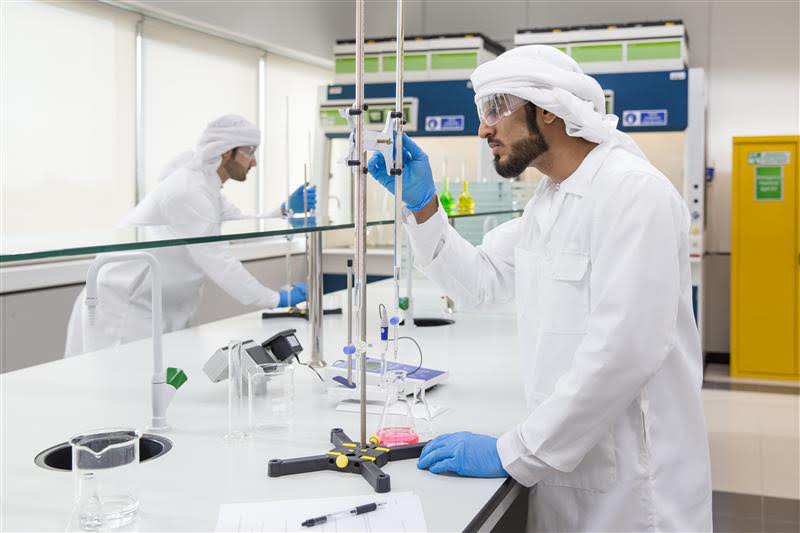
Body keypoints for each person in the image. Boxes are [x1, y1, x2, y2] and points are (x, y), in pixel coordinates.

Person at [369, 46, 712, 531]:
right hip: (566, 472)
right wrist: (423, 206)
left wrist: (515, 451)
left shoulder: (634, 193)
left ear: (547, 108)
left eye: (494, 109)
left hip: (635, 492)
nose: (483, 129)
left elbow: (623, 353)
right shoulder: (549, 203)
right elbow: (480, 281)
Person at [65, 114, 315, 357]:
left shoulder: (207, 188)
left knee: (165, 378)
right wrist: (275, 298)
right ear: (225, 152)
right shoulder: (187, 191)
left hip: (160, 308)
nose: (254, 162)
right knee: (124, 381)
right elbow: (220, 263)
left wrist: (284, 211)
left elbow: (240, 227)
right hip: (126, 310)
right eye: (249, 152)